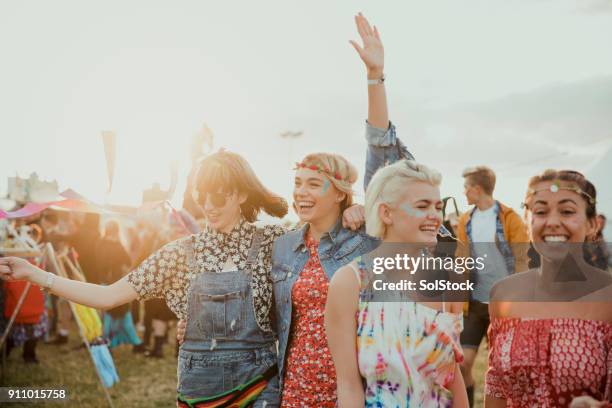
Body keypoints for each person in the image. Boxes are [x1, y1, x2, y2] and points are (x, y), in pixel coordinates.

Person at [0, 150, 289, 407]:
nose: (208, 205)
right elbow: (107, 296)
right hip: (201, 390)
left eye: (218, 195)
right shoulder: (178, 253)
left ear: (241, 194)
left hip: (259, 385)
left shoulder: (275, 242)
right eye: (202, 195)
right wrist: (36, 274)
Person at [485, 170, 612, 407]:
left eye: (567, 211)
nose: (552, 222)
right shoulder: (503, 295)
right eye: (541, 211)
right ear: (527, 219)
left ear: (592, 224)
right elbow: (496, 389)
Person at [271, 152, 379, 407]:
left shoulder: (365, 242)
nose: (301, 192)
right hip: (297, 385)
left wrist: (370, 212)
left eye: (313, 184)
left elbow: (419, 234)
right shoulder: (284, 246)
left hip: (352, 387)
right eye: (298, 183)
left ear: (340, 194)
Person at [455, 166, 529, 406]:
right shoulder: (466, 219)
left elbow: (521, 258)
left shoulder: (509, 217)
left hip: (505, 304)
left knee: (502, 367)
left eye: (466, 187)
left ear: (477, 189)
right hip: (475, 303)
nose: (464, 192)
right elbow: (461, 259)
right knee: (464, 362)